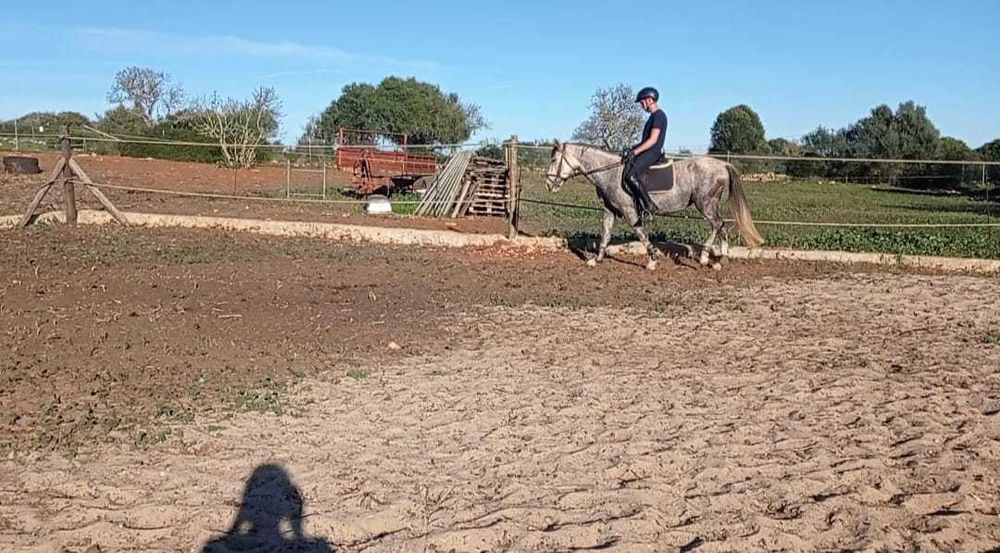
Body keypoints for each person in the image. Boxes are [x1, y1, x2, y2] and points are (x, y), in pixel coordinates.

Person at [622, 86, 668, 220]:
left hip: (653, 152)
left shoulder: (659, 116)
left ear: (649, 100)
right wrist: (632, 148)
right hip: (648, 150)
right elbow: (645, 140)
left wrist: (635, 152)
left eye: (642, 103)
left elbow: (653, 140)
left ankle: (649, 205)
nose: (642, 106)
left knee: (630, 176)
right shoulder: (652, 117)